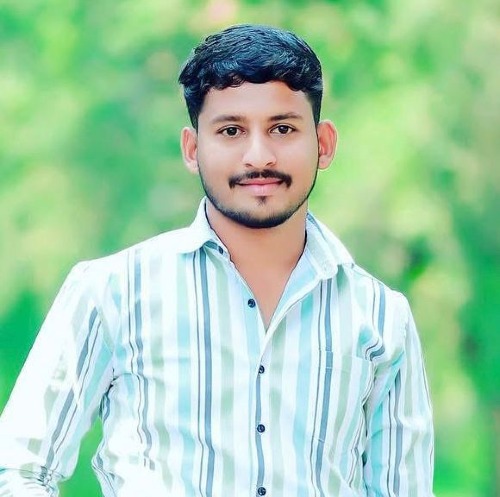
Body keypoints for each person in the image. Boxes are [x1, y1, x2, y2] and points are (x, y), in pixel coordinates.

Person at [0, 24, 434, 497]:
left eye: (283, 128)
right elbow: (19, 470)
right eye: (231, 131)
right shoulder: (114, 291)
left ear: (323, 143)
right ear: (193, 149)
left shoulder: (380, 316)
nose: (259, 156)